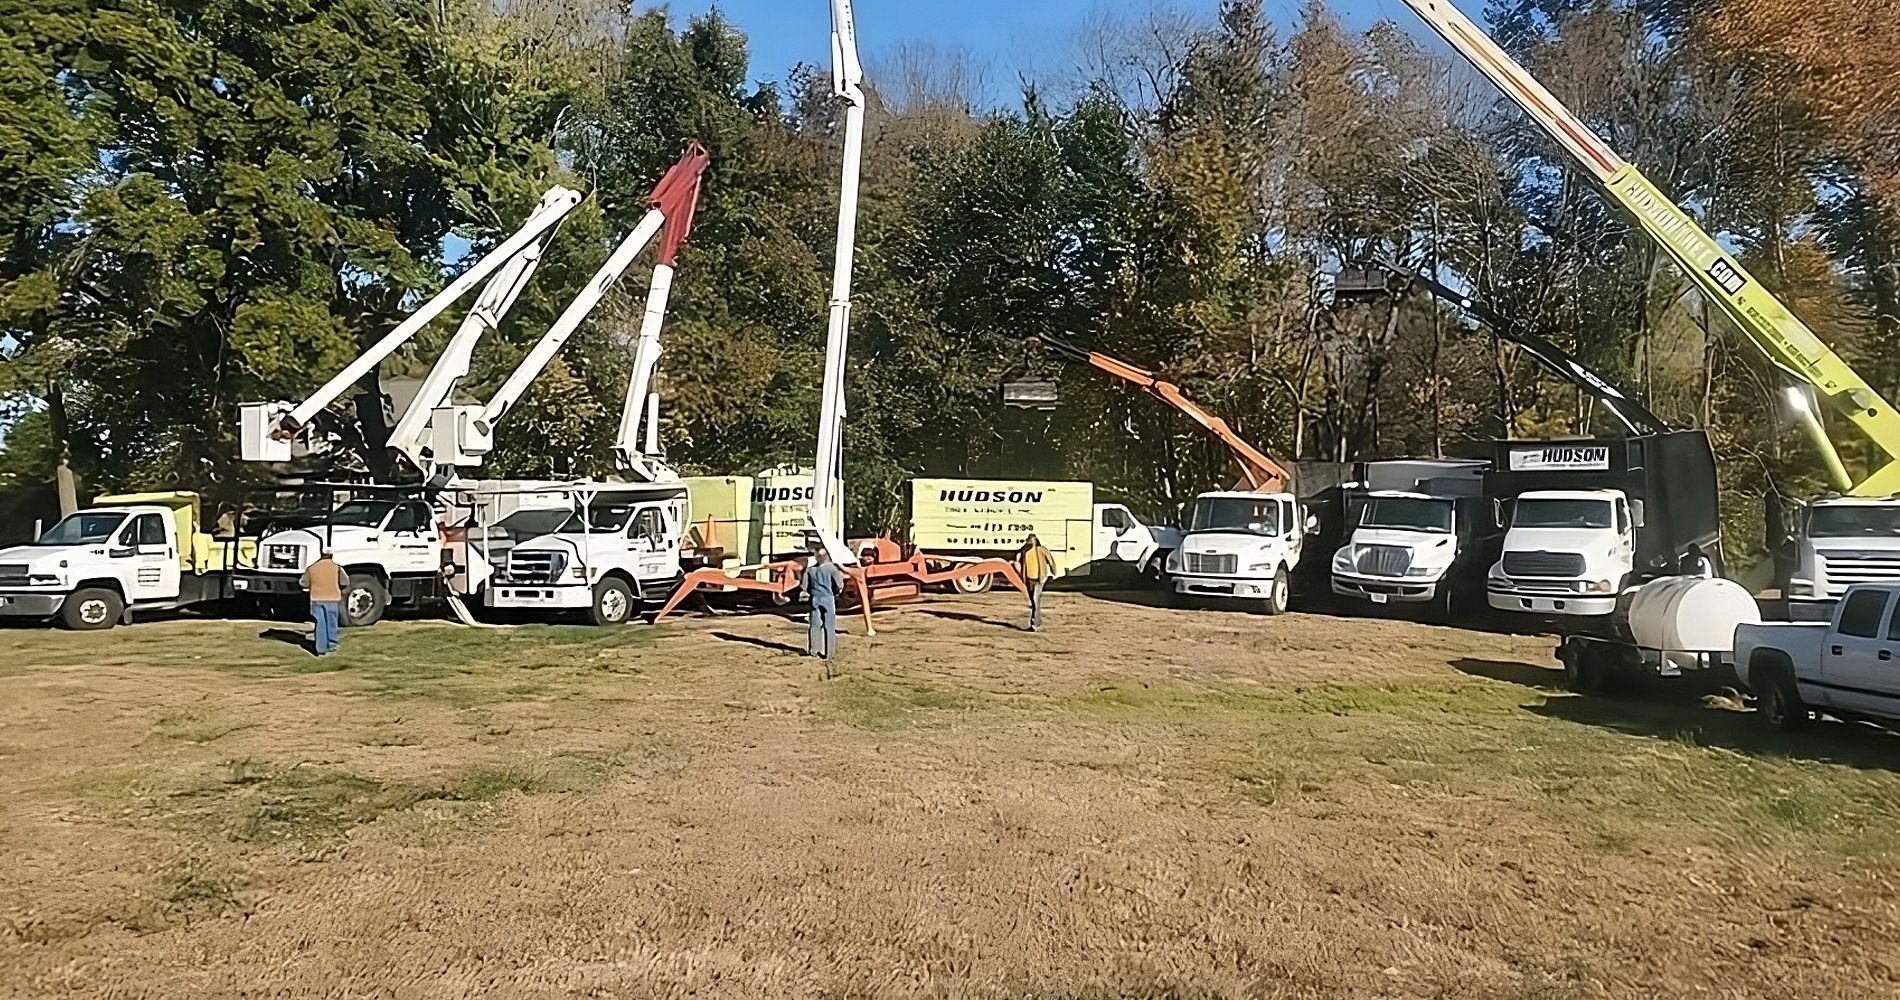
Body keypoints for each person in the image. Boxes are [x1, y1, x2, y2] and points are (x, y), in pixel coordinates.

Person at [299, 546, 350, 655]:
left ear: (320, 554)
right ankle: (332, 644)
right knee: (331, 622)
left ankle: (321, 648)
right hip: (332, 598)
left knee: (320, 622)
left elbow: (303, 582)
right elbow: (345, 582)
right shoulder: (337, 568)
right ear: (331, 555)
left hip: (316, 598)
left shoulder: (312, 568)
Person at [801, 543, 846, 661]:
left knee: (815, 625)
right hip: (828, 598)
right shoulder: (832, 569)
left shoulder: (810, 570)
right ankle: (829, 653)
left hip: (815, 598)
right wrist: (835, 592)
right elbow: (839, 585)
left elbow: (804, 586)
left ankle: (813, 651)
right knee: (829, 626)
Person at [1016, 533, 1055, 631]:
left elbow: (1051, 561)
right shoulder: (1025, 551)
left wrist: (1054, 572)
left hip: (1039, 579)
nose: (1030, 542)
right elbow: (1018, 560)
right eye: (1029, 540)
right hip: (1029, 579)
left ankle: (1034, 624)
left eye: (1032, 540)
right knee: (1033, 601)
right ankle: (1037, 620)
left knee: (1035, 599)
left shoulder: (1042, 550)